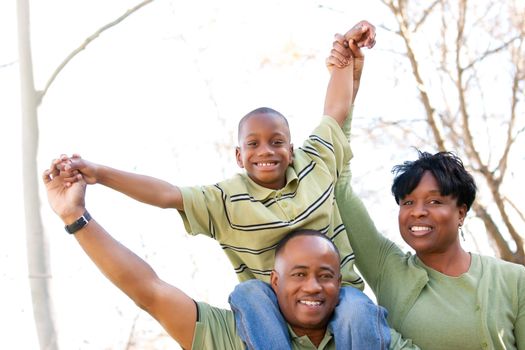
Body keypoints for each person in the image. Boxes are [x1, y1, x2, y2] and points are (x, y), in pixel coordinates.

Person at [55, 21, 391, 349]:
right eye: (254, 145)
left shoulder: (314, 163)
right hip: (272, 314)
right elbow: (166, 196)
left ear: (291, 150)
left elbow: (335, 111)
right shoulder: (226, 200)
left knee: (357, 309)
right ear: (238, 156)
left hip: (343, 296)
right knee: (248, 294)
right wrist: (99, 175)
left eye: (276, 142)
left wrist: (345, 58)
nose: (266, 152)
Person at [42, 165, 417, 349]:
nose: (313, 286)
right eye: (299, 274)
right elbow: (150, 292)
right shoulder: (240, 334)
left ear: (340, 282)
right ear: (275, 280)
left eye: (325, 275)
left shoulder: (371, 334)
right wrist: (77, 219)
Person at [334, 146, 525, 348]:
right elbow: (340, 186)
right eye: (407, 202)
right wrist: (340, 116)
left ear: (461, 213)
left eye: (434, 201)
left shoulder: (514, 280)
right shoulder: (387, 268)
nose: (417, 212)